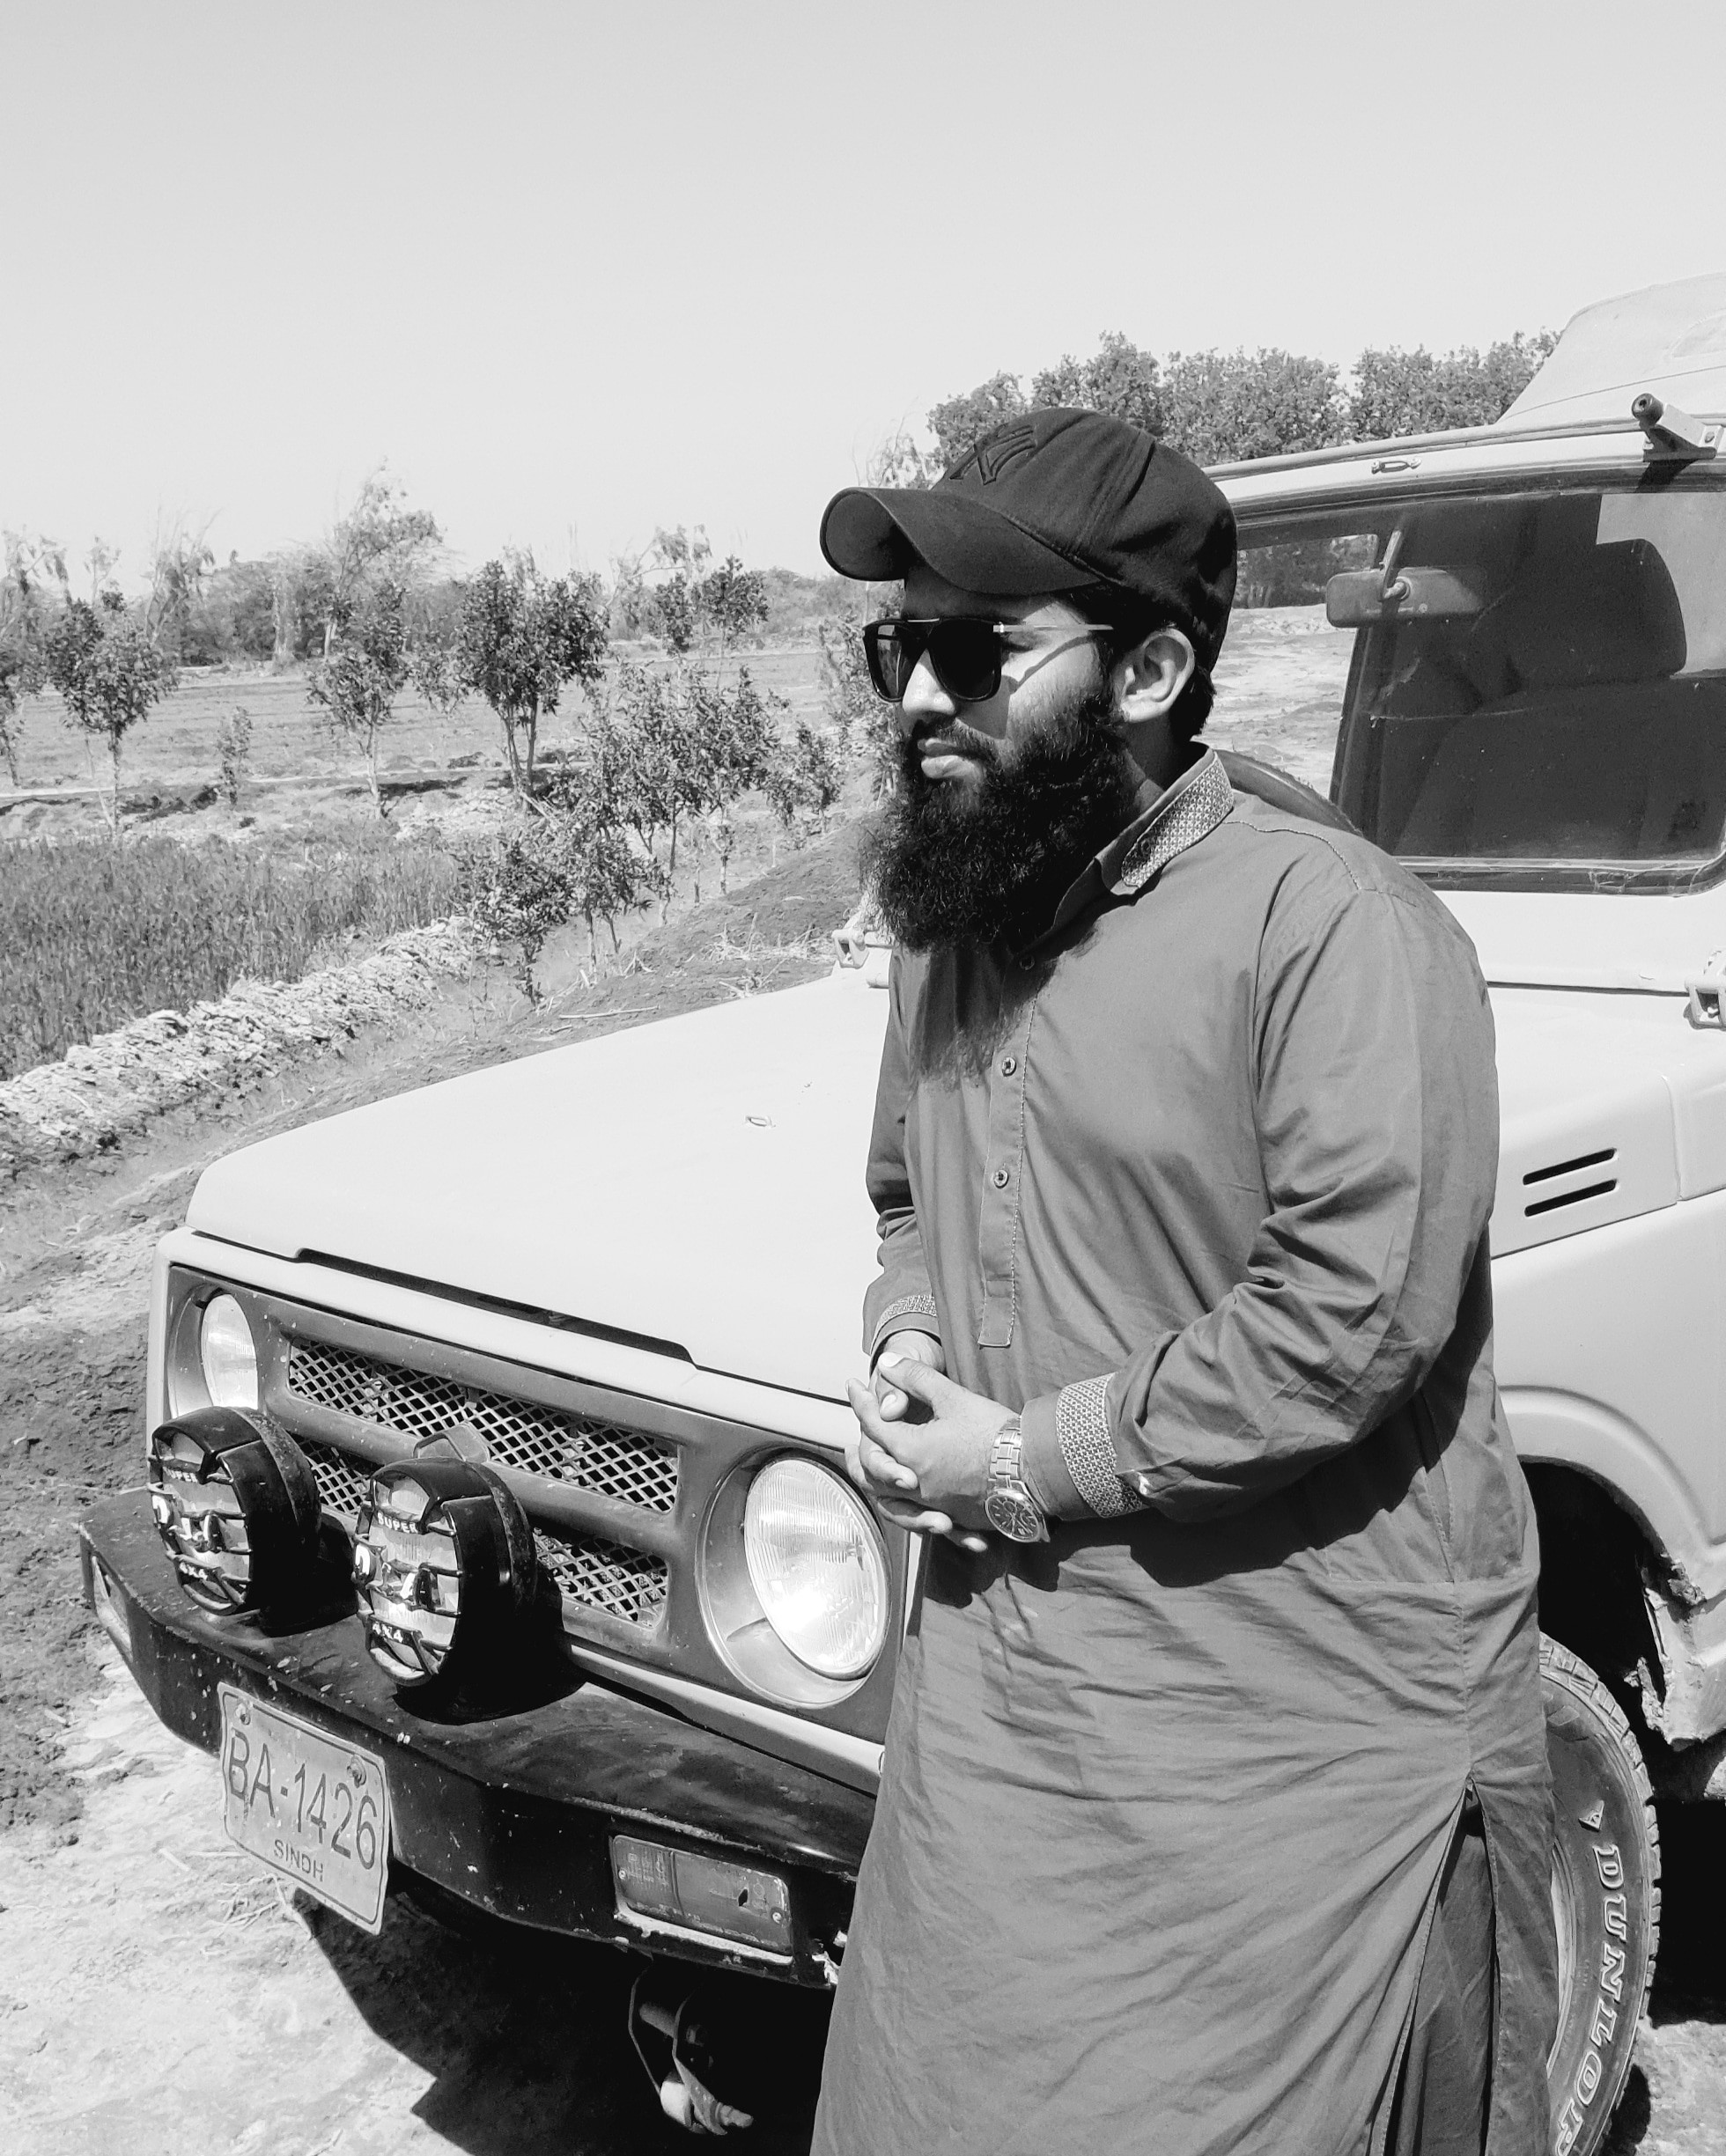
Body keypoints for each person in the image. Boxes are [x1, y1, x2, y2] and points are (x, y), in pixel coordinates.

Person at [811, 408, 1556, 2155]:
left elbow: (1344, 1320)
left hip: (1288, 1756)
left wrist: (1015, 1460)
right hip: (1007, 1731)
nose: (921, 698)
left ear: (1149, 669)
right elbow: (910, 1192)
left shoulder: (1334, 930)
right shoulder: (956, 920)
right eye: (902, 650)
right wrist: (907, 1337)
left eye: (978, 651)